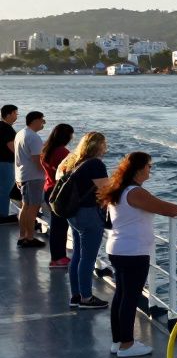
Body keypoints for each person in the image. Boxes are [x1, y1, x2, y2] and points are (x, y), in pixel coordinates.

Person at [101, 152, 177, 357]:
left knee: (121, 296)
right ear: (139, 169)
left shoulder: (120, 189)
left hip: (119, 249)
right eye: (149, 166)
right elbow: (162, 207)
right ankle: (127, 344)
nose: (150, 169)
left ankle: (118, 341)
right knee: (129, 297)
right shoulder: (135, 192)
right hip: (132, 252)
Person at [59, 132, 111, 309]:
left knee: (77, 255)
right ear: (97, 146)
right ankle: (86, 298)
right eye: (104, 144)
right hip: (89, 215)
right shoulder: (95, 164)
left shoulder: (73, 161)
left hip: (73, 213)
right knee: (88, 258)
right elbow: (107, 190)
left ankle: (76, 295)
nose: (106, 148)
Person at [40, 123, 75, 267]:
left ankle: (57, 256)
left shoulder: (46, 150)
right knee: (60, 227)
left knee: (56, 225)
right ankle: (58, 258)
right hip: (59, 193)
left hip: (48, 189)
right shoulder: (63, 153)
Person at [14, 111, 47, 248]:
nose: (43, 123)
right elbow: (36, 160)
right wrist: (47, 174)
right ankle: (29, 237)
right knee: (33, 208)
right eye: (42, 120)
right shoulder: (34, 137)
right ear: (35, 121)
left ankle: (23, 236)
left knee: (25, 207)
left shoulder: (20, 133)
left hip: (23, 175)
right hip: (33, 177)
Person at [0, 104, 16, 223]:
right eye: (15, 113)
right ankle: (3, 216)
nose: (16, 116)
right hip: (5, 163)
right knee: (5, 190)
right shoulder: (7, 128)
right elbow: (12, 147)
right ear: (9, 114)